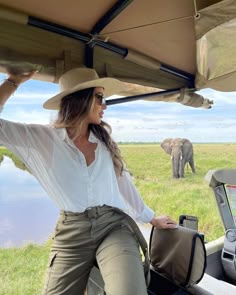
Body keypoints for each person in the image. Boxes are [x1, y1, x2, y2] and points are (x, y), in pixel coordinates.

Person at [0, 67, 177, 295]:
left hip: (113, 226)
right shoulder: (45, 139)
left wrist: (151, 218)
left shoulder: (104, 142)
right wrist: (13, 82)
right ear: (80, 99)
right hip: (71, 233)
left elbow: (124, 183)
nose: (105, 105)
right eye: (100, 97)